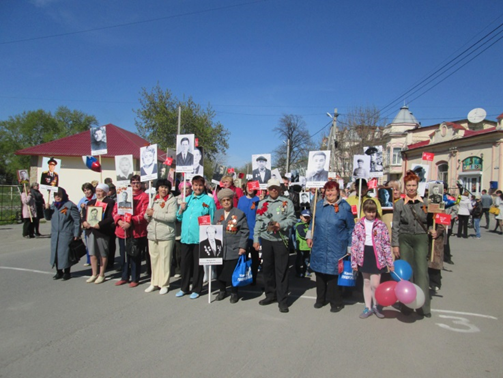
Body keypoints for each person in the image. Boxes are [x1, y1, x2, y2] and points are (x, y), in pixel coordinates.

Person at [392, 170, 435, 318]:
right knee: (406, 273)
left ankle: (424, 307)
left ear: (417, 186)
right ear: (405, 187)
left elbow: (432, 222)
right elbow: (395, 225)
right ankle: (407, 305)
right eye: (408, 185)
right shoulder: (399, 204)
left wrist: (433, 230)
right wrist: (395, 244)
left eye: (413, 185)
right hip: (405, 239)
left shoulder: (426, 203)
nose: (411, 188)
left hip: (420, 238)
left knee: (422, 272)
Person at [307, 181, 354, 313]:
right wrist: (309, 235)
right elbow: (313, 222)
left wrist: (350, 246)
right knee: (320, 273)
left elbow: (351, 228)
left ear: (338, 191)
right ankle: (320, 299)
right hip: (320, 244)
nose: (330, 193)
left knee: (334, 275)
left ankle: (336, 302)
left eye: (332, 190)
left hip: (337, 245)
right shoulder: (319, 205)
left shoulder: (345, 207)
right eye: (327, 190)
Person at [254, 178, 297, 313]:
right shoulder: (262, 203)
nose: (273, 190)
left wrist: (281, 225)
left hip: (281, 240)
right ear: (268, 190)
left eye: (276, 188)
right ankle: (270, 295)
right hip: (266, 239)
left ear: (279, 189)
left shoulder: (287, 202)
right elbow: (258, 221)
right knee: (267, 269)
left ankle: (282, 300)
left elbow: (292, 218)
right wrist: (256, 239)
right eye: (271, 188)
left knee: (281, 270)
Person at [351, 199, 394, 318]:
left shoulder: (381, 225)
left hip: (377, 256)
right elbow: (354, 243)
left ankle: (376, 305)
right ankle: (367, 307)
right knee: (366, 282)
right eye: (369, 212)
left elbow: (386, 243)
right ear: (364, 211)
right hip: (364, 254)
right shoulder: (359, 225)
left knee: (376, 284)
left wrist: (389, 261)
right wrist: (354, 262)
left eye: (373, 211)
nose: (371, 214)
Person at [176, 175, 216, 299]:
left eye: (200, 185)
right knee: (185, 264)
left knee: (198, 265)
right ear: (192, 186)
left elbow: (213, 218)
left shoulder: (208, 200)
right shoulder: (186, 199)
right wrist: (181, 210)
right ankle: (184, 287)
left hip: (200, 238)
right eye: (195, 185)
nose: (197, 187)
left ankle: (197, 289)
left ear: (204, 186)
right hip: (185, 238)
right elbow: (179, 218)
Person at [213, 188, 249, 303]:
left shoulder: (239, 214)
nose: (226, 202)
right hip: (219, 248)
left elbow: (245, 231)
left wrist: (242, 246)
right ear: (220, 202)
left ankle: (234, 292)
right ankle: (222, 290)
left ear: (231, 200)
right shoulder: (217, 213)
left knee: (233, 272)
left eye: (228, 199)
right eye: (224, 200)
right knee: (220, 270)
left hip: (233, 248)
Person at [113, 175, 149, 288]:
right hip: (122, 229)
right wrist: (119, 221)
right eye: (133, 182)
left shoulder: (144, 196)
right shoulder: (122, 193)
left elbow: (144, 214)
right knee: (123, 255)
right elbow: (115, 210)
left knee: (134, 255)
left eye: (138, 182)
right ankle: (124, 276)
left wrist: (130, 221)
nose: (135, 184)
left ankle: (135, 277)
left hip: (136, 231)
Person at [144, 179, 177, 295]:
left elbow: (172, 217)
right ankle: (154, 282)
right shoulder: (153, 198)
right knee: (154, 259)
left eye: (166, 187)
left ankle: (164, 284)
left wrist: (154, 214)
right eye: (161, 187)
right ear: (158, 188)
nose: (164, 189)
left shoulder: (172, 200)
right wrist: (147, 214)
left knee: (165, 260)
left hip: (166, 234)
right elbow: (147, 215)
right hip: (153, 234)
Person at [44, 187, 81, 280]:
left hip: (66, 233)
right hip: (55, 234)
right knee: (56, 253)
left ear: (63, 195)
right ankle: (58, 272)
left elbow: (77, 220)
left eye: (59, 195)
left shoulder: (69, 206)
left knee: (65, 254)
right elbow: (48, 218)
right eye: (56, 195)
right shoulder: (53, 206)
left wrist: (76, 233)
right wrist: (46, 209)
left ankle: (67, 272)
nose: (57, 197)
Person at [82, 183, 115, 284]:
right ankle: (94, 273)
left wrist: (100, 224)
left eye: (100, 191)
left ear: (105, 192)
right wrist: (84, 222)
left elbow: (110, 217)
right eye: (97, 191)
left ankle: (101, 274)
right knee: (92, 253)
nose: (98, 193)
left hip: (102, 231)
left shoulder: (110, 202)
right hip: (91, 231)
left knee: (102, 253)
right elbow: (84, 215)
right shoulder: (91, 202)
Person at [237, 183, 260, 285]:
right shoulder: (241, 199)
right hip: (242, 233)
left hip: (254, 232)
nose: (250, 189)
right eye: (248, 187)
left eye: (252, 187)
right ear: (245, 188)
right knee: (243, 256)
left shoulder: (258, 200)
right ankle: (244, 276)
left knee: (255, 257)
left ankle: (254, 278)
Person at [174, 181, 192, 277]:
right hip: (178, 227)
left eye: (187, 188)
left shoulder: (192, 199)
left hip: (189, 228)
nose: (185, 190)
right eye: (183, 188)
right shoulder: (176, 199)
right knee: (178, 251)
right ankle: (178, 269)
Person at [295, 209, 312, 278]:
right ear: (301, 217)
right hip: (301, 247)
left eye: (308, 217)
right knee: (299, 260)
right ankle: (299, 272)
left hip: (307, 247)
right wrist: (309, 237)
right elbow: (301, 234)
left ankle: (305, 271)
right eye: (305, 217)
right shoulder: (299, 225)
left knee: (306, 260)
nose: (306, 219)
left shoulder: (310, 225)